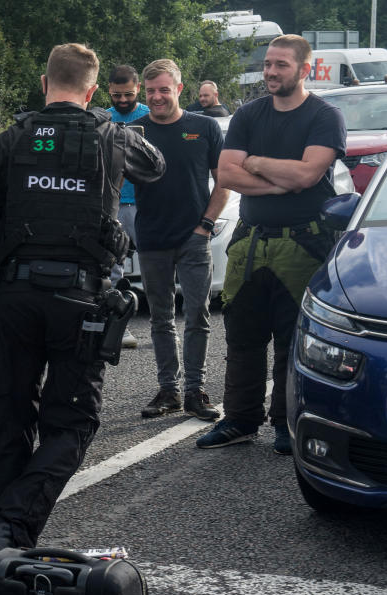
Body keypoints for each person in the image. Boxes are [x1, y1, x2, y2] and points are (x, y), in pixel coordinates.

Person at [0, 43, 165, 563]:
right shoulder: (112, 135)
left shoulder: (10, 140)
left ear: (44, 83)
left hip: (16, 295)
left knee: (11, 413)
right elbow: (156, 167)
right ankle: (9, 530)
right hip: (81, 299)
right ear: (92, 91)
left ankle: (2, 531)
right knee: (72, 423)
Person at [196, 34, 345, 454]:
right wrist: (282, 182)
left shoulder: (324, 116)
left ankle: (286, 424)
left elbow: (306, 176)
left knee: (291, 342)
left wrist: (257, 164)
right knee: (243, 339)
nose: (271, 72)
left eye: (281, 64)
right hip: (250, 244)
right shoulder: (248, 115)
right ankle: (240, 421)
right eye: (268, 64)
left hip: (304, 245)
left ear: (304, 69)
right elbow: (226, 174)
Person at [132, 59, 227, 421]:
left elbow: (224, 180)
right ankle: (168, 390)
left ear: (179, 89)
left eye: (164, 90)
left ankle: (195, 391)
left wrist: (205, 225)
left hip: (193, 237)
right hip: (152, 237)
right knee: (160, 318)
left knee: (198, 315)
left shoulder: (203, 127)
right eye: (151, 90)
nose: (157, 97)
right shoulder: (135, 131)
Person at [106, 64, 150, 349]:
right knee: (112, 269)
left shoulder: (150, 114)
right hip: (113, 202)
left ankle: (162, 327)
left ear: (138, 90)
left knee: (154, 265)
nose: (122, 101)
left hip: (146, 203)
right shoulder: (102, 118)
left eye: (128, 95)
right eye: (116, 95)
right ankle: (117, 327)